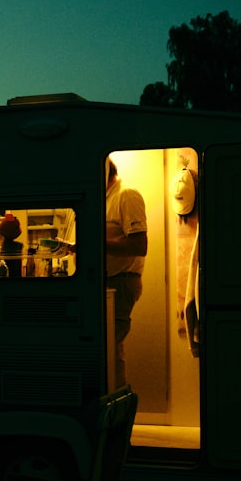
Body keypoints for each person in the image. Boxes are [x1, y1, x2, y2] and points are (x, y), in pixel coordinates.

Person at [105, 159, 147, 389]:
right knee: (111, 349)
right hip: (111, 281)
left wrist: (97, 243)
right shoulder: (105, 198)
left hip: (121, 282)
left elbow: (139, 245)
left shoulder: (126, 195)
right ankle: (114, 415)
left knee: (110, 350)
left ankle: (116, 416)